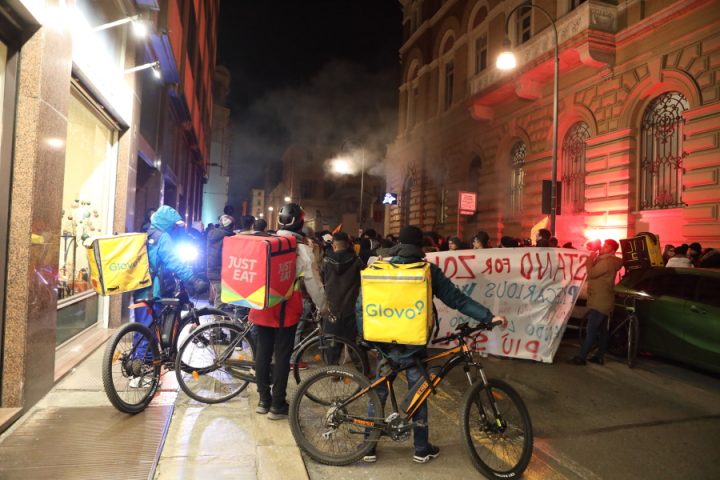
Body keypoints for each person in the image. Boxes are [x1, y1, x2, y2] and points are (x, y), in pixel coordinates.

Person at [359, 225, 507, 464]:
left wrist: (367, 338)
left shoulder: (379, 267)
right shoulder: (428, 271)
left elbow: (362, 304)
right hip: (413, 343)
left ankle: (367, 447)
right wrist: (488, 317)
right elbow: (457, 299)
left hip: (384, 343)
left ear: (398, 245)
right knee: (419, 391)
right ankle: (420, 448)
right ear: (419, 247)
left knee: (378, 394)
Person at [249, 203, 327, 420]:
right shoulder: (300, 247)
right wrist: (324, 306)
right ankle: (277, 404)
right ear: (301, 222)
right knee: (283, 356)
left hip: (263, 305)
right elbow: (312, 281)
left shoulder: (267, 241)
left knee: (263, 353)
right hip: (286, 308)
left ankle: (263, 400)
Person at [132, 206, 209, 384]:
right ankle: (139, 373)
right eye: (174, 225)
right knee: (148, 331)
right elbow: (174, 261)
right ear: (166, 223)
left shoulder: (146, 232)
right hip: (153, 291)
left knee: (142, 328)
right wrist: (193, 279)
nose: (176, 228)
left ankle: (145, 367)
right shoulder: (162, 237)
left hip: (139, 289)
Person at [569, 239, 623, 365]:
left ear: (612, 250)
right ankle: (599, 357)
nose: (603, 247)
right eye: (604, 245)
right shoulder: (607, 261)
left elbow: (591, 273)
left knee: (591, 330)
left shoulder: (607, 262)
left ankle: (581, 357)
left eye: (606, 246)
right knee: (603, 331)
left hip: (600, 301)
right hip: (604, 300)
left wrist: (589, 260)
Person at [321, 232, 366, 365]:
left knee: (332, 341)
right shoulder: (357, 261)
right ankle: (363, 371)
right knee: (354, 341)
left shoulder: (326, 261)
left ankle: (333, 371)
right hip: (351, 306)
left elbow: (322, 280)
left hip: (332, 306)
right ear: (347, 244)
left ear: (334, 244)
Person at [206, 214, 235, 308]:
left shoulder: (212, 234)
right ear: (230, 226)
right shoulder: (228, 237)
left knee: (220, 295)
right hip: (220, 270)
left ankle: (219, 319)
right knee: (221, 297)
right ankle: (217, 320)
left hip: (211, 269)